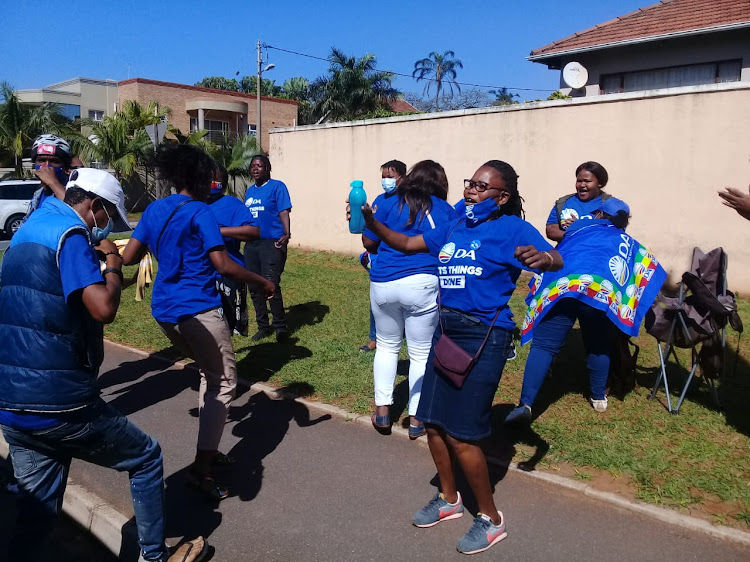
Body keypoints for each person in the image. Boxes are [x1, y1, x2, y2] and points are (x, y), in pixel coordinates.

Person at [0, 168, 207, 562]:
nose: (107, 226)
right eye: (108, 216)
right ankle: (152, 557)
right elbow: (103, 307)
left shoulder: (29, 229)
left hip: (13, 404)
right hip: (60, 402)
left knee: (38, 513)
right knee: (146, 457)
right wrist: (112, 259)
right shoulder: (73, 234)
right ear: (94, 207)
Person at [363, 160, 562, 555]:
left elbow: (558, 258)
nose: (471, 190)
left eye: (481, 187)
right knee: (433, 423)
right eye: (470, 183)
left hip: (484, 335)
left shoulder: (512, 229)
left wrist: (547, 261)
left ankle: (490, 518)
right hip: (446, 329)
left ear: (502, 197)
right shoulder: (454, 224)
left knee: (463, 433)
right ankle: (450, 499)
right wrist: (371, 220)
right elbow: (404, 243)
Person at [122, 145, 274, 501]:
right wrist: (261, 281)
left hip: (164, 312)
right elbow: (223, 265)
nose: (214, 181)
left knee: (209, 374)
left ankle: (209, 445)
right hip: (199, 312)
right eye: (210, 176)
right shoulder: (201, 213)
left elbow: (129, 256)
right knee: (224, 383)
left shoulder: (155, 208)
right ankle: (200, 471)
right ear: (200, 178)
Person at [506, 198, 667, 423]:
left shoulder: (582, 225)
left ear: (600, 214)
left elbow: (562, 247)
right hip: (602, 292)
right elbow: (648, 268)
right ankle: (598, 396)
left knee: (545, 344)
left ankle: (526, 404)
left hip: (565, 285)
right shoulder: (629, 244)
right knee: (598, 343)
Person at [364, 160, 456, 439]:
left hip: (384, 282)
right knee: (420, 352)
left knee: (387, 346)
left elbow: (369, 243)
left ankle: (382, 412)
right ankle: (417, 419)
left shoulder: (390, 203)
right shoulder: (447, 211)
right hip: (423, 284)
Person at [243, 154, 292, 342]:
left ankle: (280, 326)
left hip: (272, 243)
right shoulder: (250, 191)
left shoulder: (277, 187)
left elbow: (283, 211)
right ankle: (263, 326)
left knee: (270, 284)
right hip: (252, 245)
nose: (256, 169)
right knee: (254, 287)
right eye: (253, 166)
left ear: (267, 168)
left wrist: (286, 233)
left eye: (260, 166)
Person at [359, 159, 406, 352]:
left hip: (404, 257)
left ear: (402, 178)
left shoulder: (409, 200)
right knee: (377, 302)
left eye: (390, 177)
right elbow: (370, 237)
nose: (386, 181)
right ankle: (375, 337)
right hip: (381, 256)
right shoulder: (380, 199)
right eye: (383, 177)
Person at [208, 163, 260, 336]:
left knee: (224, 328)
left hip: (227, 275)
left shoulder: (231, 204)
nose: (211, 182)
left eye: (215, 179)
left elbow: (253, 231)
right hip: (199, 275)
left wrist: (219, 231)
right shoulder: (193, 204)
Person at [545, 161, 613, 242]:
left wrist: (580, 226)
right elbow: (551, 229)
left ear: (600, 183)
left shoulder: (610, 205)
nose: (582, 185)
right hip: (567, 253)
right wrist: (573, 234)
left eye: (587, 181)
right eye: (579, 181)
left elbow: (614, 233)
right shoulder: (563, 203)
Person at [24, 134, 74, 219]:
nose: (46, 167)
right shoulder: (39, 193)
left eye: (54, 161)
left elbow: (78, 213)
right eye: (41, 160)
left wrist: (53, 183)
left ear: (65, 166)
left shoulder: (76, 189)